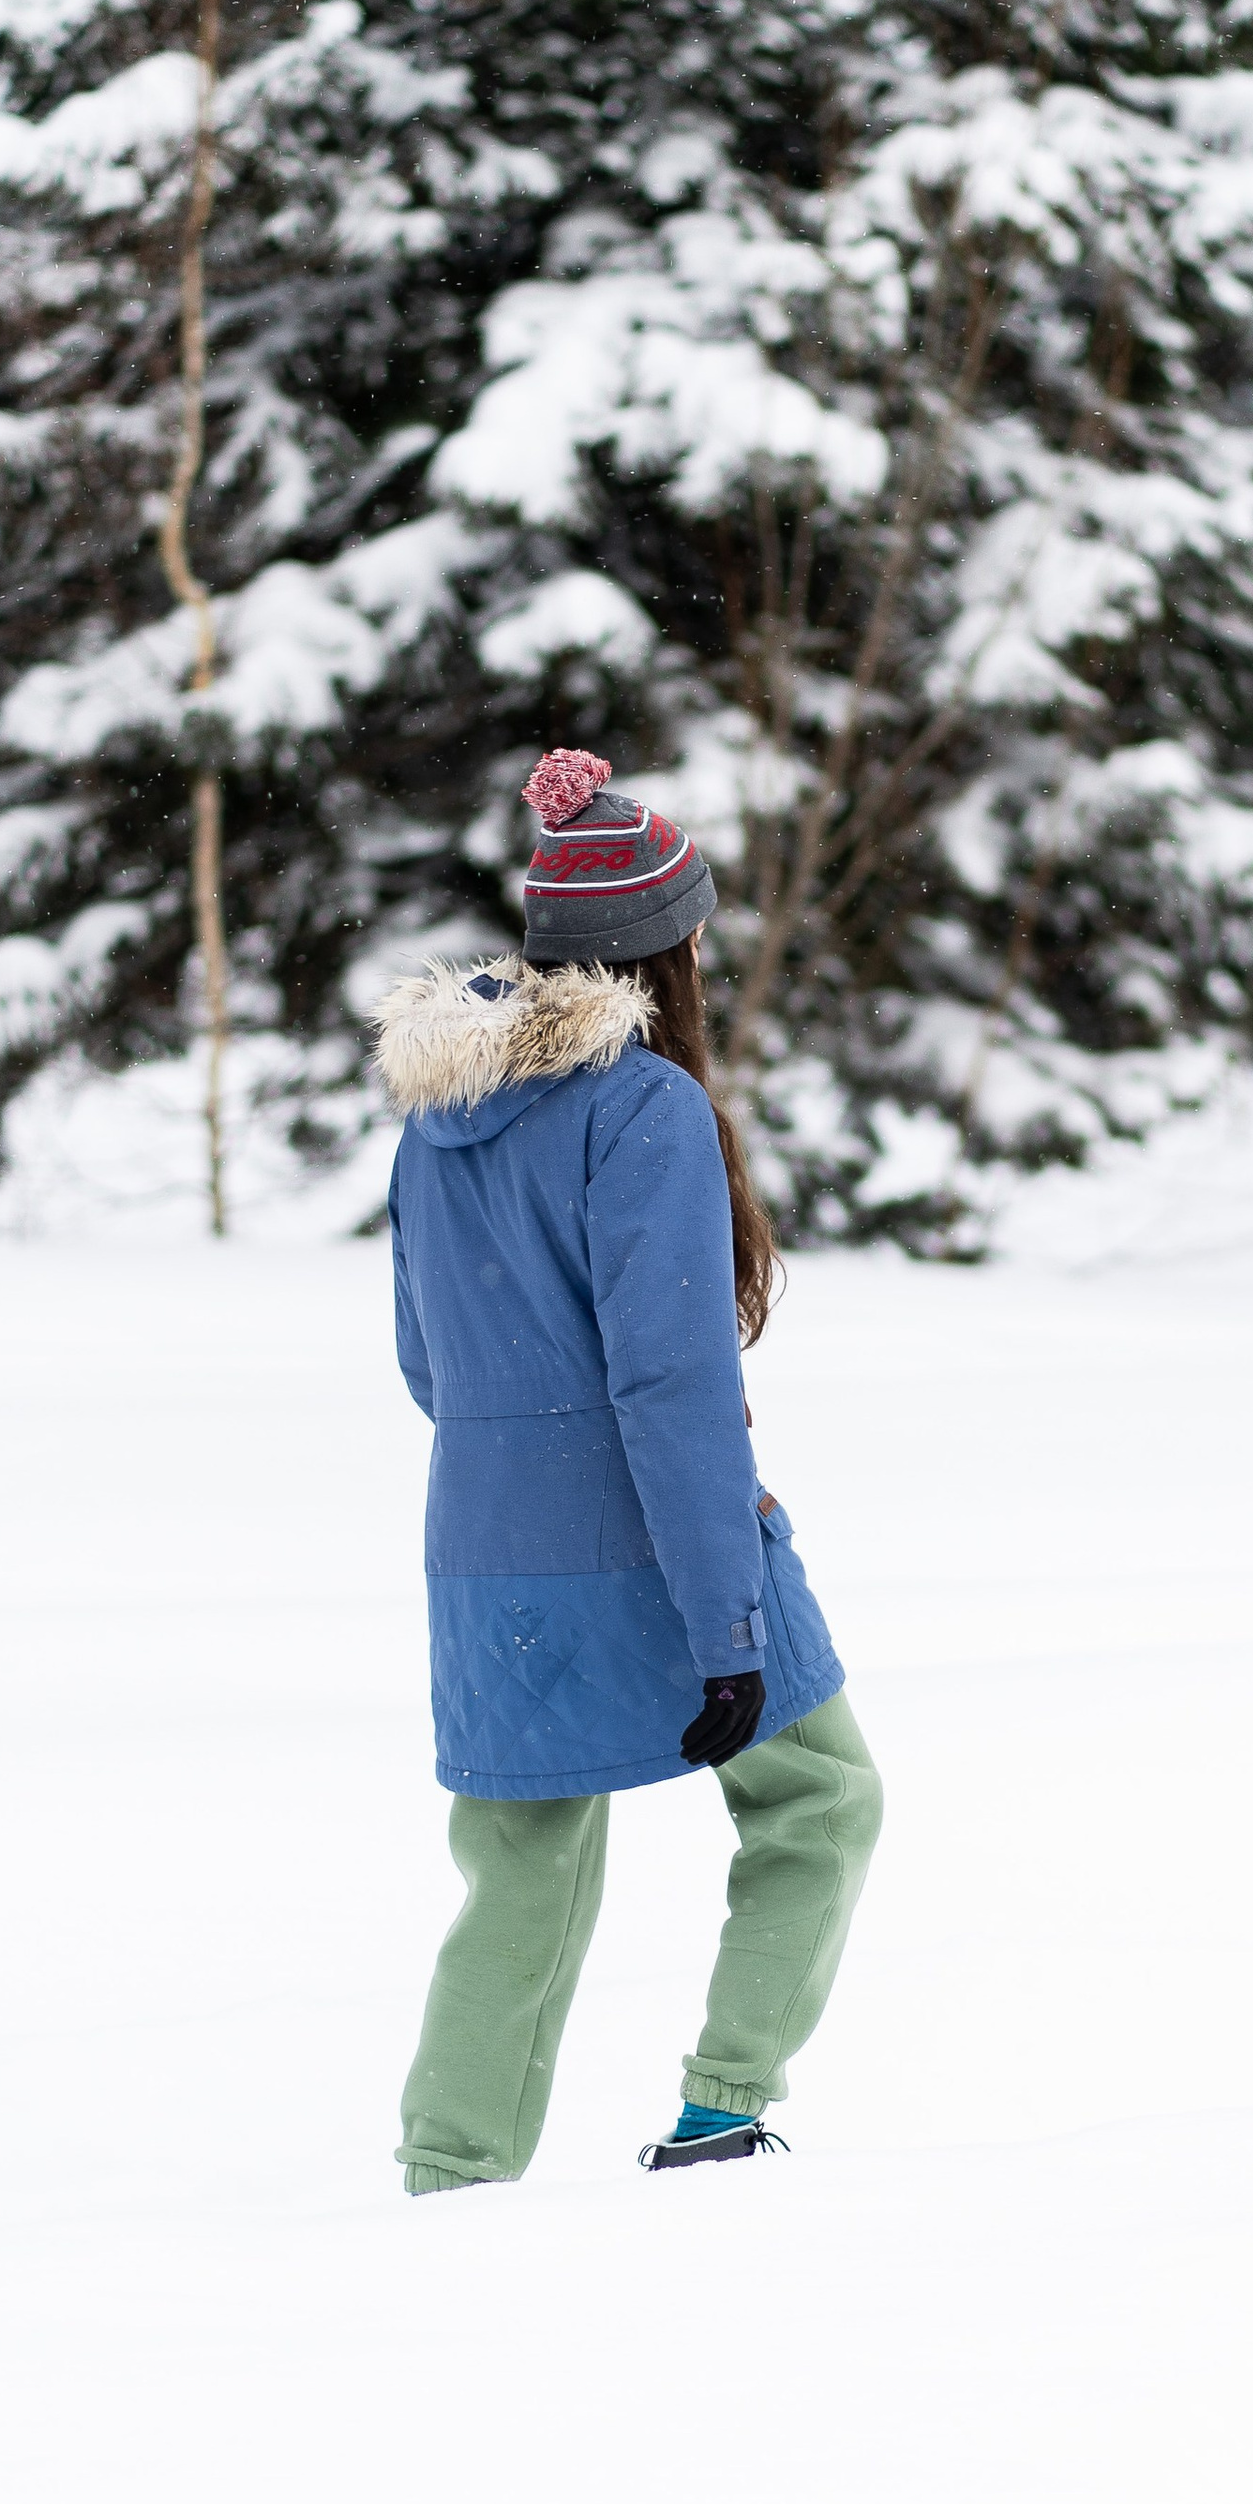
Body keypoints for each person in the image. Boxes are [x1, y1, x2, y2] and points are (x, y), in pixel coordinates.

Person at [375, 746, 881, 2185]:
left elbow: (429, 1365)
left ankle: (450, 2177)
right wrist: (724, 1618)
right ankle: (726, 2107)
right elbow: (671, 1388)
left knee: (522, 1874)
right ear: (672, 944)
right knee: (821, 1798)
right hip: (659, 1544)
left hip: (481, 1550)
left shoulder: (440, 1119)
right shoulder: (645, 1108)